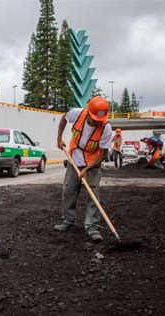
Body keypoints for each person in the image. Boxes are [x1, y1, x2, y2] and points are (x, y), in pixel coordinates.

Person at [54, 96, 112, 242]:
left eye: (100, 119)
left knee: (93, 195)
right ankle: (68, 221)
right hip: (74, 158)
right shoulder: (77, 113)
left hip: (93, 163)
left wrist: (87, 168)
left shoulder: (106, 127)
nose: (97, 121)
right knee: (69, 190)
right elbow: (63, 118)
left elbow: (103, 154)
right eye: (94, 118)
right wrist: (59, 138)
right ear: (88, 112)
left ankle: (92, 227)